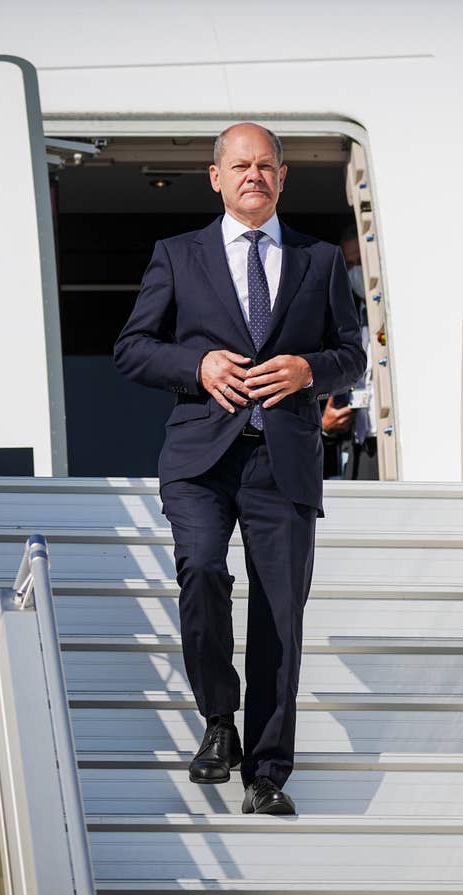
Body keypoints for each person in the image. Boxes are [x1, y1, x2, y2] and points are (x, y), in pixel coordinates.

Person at [113, 123, 365, 815]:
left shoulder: (315, 260)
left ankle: (267, 773)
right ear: (216, 176)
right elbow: (132, 348)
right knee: (201, 570)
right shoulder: (178, 255)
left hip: (283, 461)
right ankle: (219, 720)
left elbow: (353, 354)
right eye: (240, 165)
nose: (253, 175)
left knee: (281, 614)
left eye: (266, 166)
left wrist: (311, 368)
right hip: (200, 456)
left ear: (282, 179)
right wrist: (195, 365)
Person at [321, 226, 378, 479]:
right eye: (350, 264)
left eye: (361, 262)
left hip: (384, 440)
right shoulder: (347, 318)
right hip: (358, 444)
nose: (356, 272)